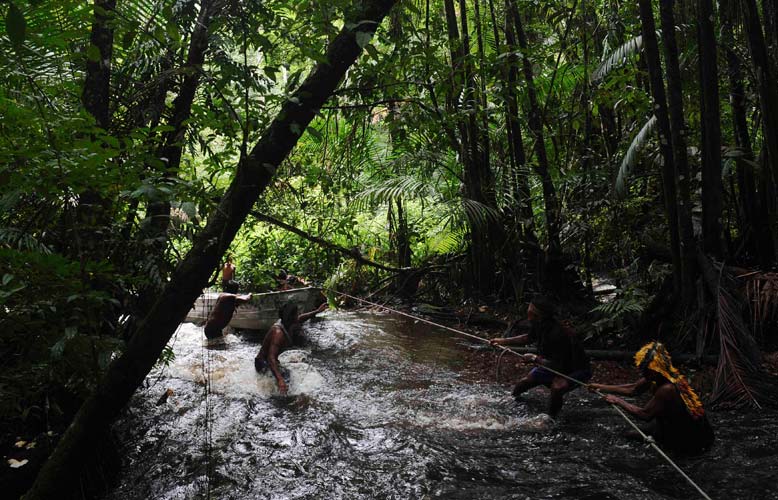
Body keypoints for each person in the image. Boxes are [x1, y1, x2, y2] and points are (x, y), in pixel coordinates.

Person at [589, 341, 714, 455]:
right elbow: (633, 389)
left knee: (632, 436)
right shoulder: (660, 375)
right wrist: (601, 387)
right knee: (628, 434)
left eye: (646, 370)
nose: (643, 374)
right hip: (668, 425)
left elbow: (645, 414)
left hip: (690, 437)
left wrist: (618, 401)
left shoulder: (668, 388)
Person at [490, 295, 591, 417]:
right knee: (525, 382)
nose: (528, 315)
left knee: (557, 387)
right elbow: (527, 338)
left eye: (531, 313)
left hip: (574, 369)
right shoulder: (539, 324)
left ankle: (551, 418)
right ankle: (512, 400)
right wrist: (502, 341)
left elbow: (557, 365)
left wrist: (534, 359)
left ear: (540, 315)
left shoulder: (558, 333)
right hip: (551, 363)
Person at [254, 301, 328, 394]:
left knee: (288, 377)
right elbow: (270, 357)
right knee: (285, 380)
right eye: (297, 313)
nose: (298, 315)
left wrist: (317, 311)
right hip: (262, 363)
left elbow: (302, 318)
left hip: (272, 361)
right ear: (291, 316)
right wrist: (280, 380)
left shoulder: (288, 323)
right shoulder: (278, 333)